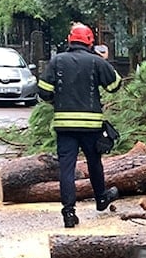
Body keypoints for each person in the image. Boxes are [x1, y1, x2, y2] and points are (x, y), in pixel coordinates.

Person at [37, 23, 122, 228]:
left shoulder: (57, 61)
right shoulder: (95, 61)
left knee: (67, 169)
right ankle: (101, 199)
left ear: (69, 40)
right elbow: (115, 85)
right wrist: (103, 61)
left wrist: (57, 101)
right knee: (94, 163)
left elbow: (43, 92)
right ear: (90, 41)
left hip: (64, 126)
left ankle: (68, 213)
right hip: (91, 126)